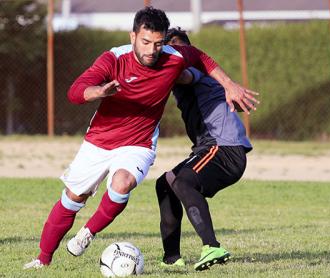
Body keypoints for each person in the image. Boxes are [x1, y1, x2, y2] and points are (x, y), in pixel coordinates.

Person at [23, 7, 258, 270]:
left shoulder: (173, 56)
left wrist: (229, 84)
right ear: (133, 36)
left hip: (139, 143)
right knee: (73, 197)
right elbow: (75, 91)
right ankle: (42, 259)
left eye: (158, 44)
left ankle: (88, 232)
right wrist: (97, 91)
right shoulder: (114, 58)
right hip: (99, 140)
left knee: (122, 184)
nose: (152, 50)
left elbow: (201, 58)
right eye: (146, 42)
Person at [156, 28, 253, 271]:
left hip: (223, 149)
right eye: (170, 48)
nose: (175, 53)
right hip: (210, 148)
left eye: (179, 48)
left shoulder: (194, 70)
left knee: (183, 183)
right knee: (166, 183)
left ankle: (212, 246)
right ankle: (171, 259)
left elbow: (184, 76)